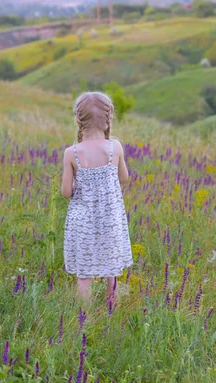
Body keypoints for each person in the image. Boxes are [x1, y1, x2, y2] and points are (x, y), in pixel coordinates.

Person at [61, 91, 133, 307]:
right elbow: (124, 178)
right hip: (110, 220)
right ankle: (111, 306)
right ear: (109, 118)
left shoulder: (71, 153)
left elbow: (66, 192)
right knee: (111, 268)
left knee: (84, 273)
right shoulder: (115, 148)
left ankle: (86, 318)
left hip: (82, 223)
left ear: (77, 119)